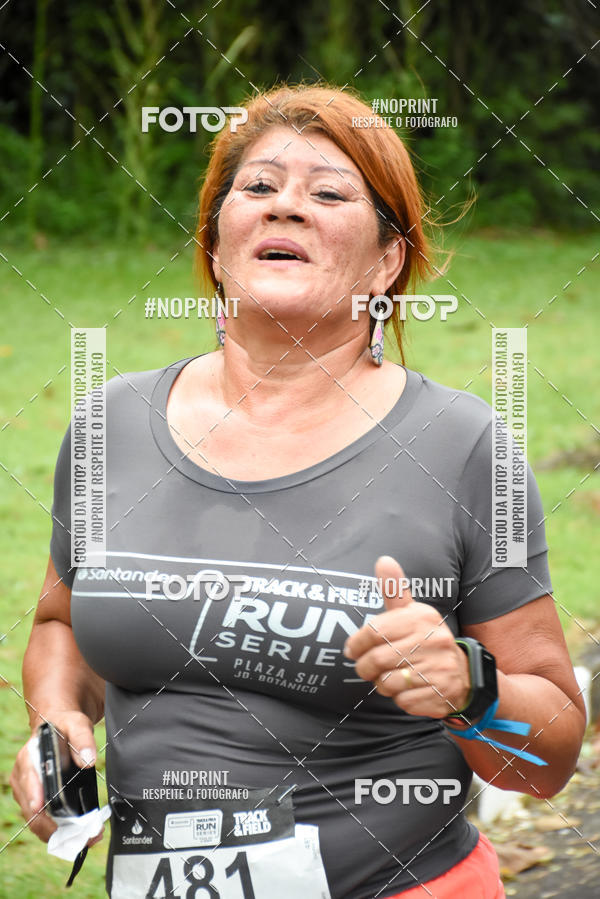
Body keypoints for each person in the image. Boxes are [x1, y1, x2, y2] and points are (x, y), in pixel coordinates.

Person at [11, 83, 586, 898]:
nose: (286, 207)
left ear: (386, 260)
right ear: (215, 242)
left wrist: (470, 683)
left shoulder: (463, 447)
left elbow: (548, 759)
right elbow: (61, 622)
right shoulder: (113, 422)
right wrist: (57, 716)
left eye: (328, 193)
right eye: (259, 187)